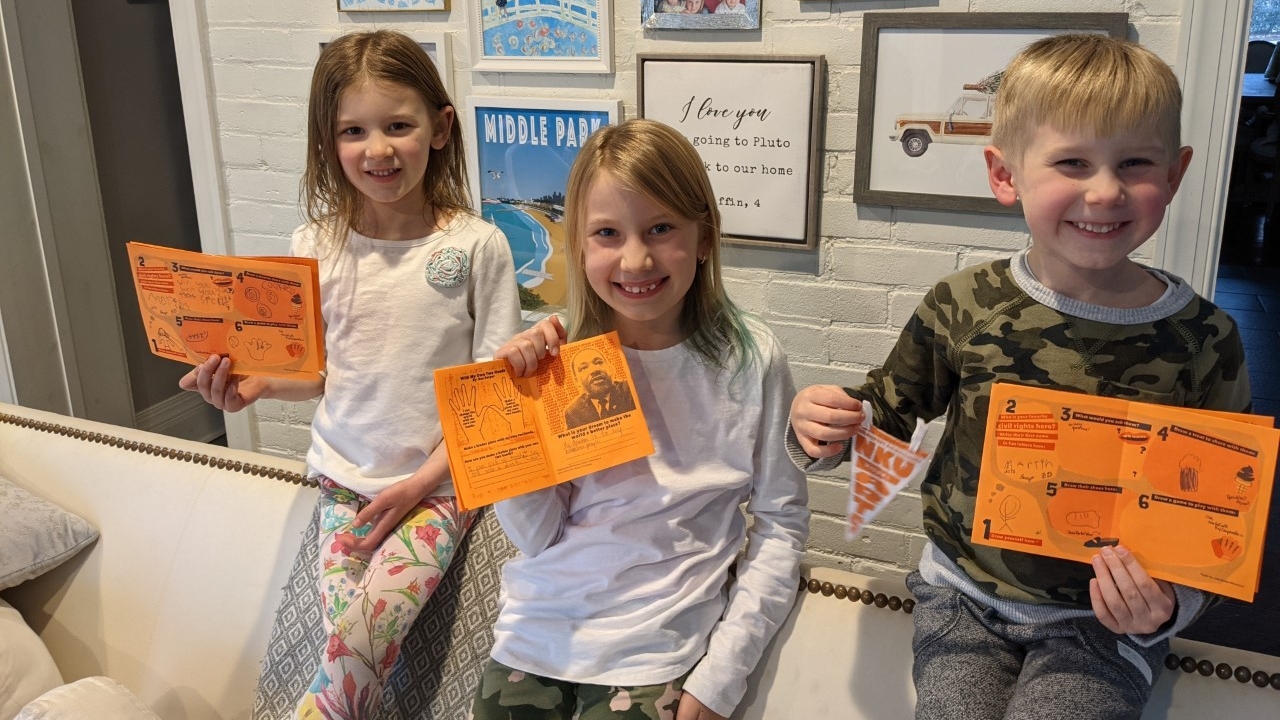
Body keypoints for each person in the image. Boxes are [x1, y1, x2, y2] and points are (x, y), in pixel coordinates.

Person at [787, 33, 1250, 720]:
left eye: (1135, 163)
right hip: (962, 596)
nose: (1105, 190)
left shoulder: (1206, 341)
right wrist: (821, 428)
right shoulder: (963, 305)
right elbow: (886, 410)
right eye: (1072, 161)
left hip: (1103, 622)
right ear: (1006, 175)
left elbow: (1223, 518)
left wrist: (1168, 606)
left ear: (1176, 173)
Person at [179, 30, 521, 720]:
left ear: (441, 128)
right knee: (354, 645)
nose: (379, 149)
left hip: (439, 490)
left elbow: (496, 398)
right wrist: (257, 386)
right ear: (326, 143)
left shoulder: (477, 245)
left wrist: (425, 483)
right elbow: (317, 373)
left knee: (363, 639)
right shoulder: (314, 246)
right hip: (340, 483)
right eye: (354, 131)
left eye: (399, 125)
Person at [472, 118, 809, 720]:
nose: (635, 258)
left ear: (704, 237)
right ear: (577, 245)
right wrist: (514, 419)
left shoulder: (751, 359)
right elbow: (535, 535)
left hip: (658, 654)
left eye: (661, 228)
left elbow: (782, 526)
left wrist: (723, 674)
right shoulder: (559, 360)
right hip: (532, 641)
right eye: (607, 233)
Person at [563, 346, 636, 428]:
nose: (594, 370)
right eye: (583, 368)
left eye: (598, 362)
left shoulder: (631, 389)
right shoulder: (573, 412)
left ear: (611, 369)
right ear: (576, 381)